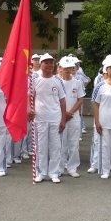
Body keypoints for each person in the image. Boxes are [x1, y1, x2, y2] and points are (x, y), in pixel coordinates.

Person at [30, 54, 67, 183]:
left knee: (55, 146)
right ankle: (41, 172)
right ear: (41, 65)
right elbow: (29, 98)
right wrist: (30, 111)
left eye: (51, 62)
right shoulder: (35, 80)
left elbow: (62, 101)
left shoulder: (58, 81)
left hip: (55, 118)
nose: (49, 65)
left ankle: (54, 173)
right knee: (41, 147)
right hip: (40, 118)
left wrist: (63, 119)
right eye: (46, 62)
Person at [59, 56, 85, 177]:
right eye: (66, 68)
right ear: (60, 68)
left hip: (74, 117)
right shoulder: (57, 82)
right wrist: (64, 114)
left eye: (71, 68)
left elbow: (80, 100)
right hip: (60, 117)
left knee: (74, 143)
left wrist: (71, 112)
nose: (69, 70)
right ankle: (60, 167)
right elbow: (55, 101)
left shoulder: (77, 83)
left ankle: (72, 167)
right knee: (61, 143)